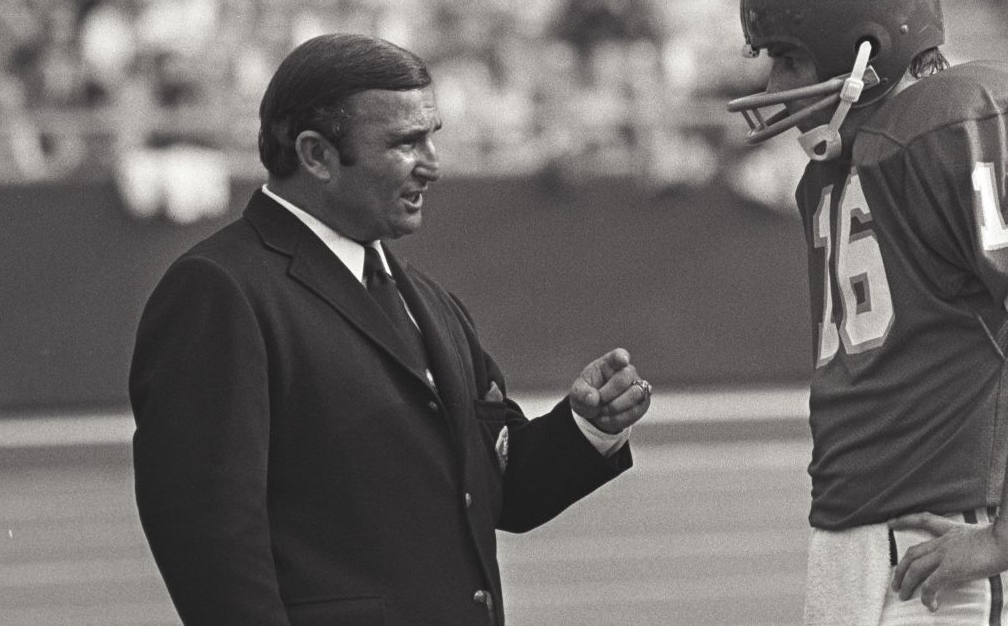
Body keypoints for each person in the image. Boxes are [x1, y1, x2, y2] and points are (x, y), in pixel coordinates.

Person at [129, 32, 652, 626]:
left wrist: (585, 427)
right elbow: (210, 539)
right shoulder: (220, 290)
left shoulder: (423, 296)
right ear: (316, 155)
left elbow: (493, 488)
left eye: (432, 136)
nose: (433, 164)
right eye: (406, 143)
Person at [727, 0, 1008, 625]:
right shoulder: (843, 170)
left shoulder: (957, 114)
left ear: (862, 51)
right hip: (859, 541)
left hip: (945, 551)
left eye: (789, 57)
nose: (776, 83)